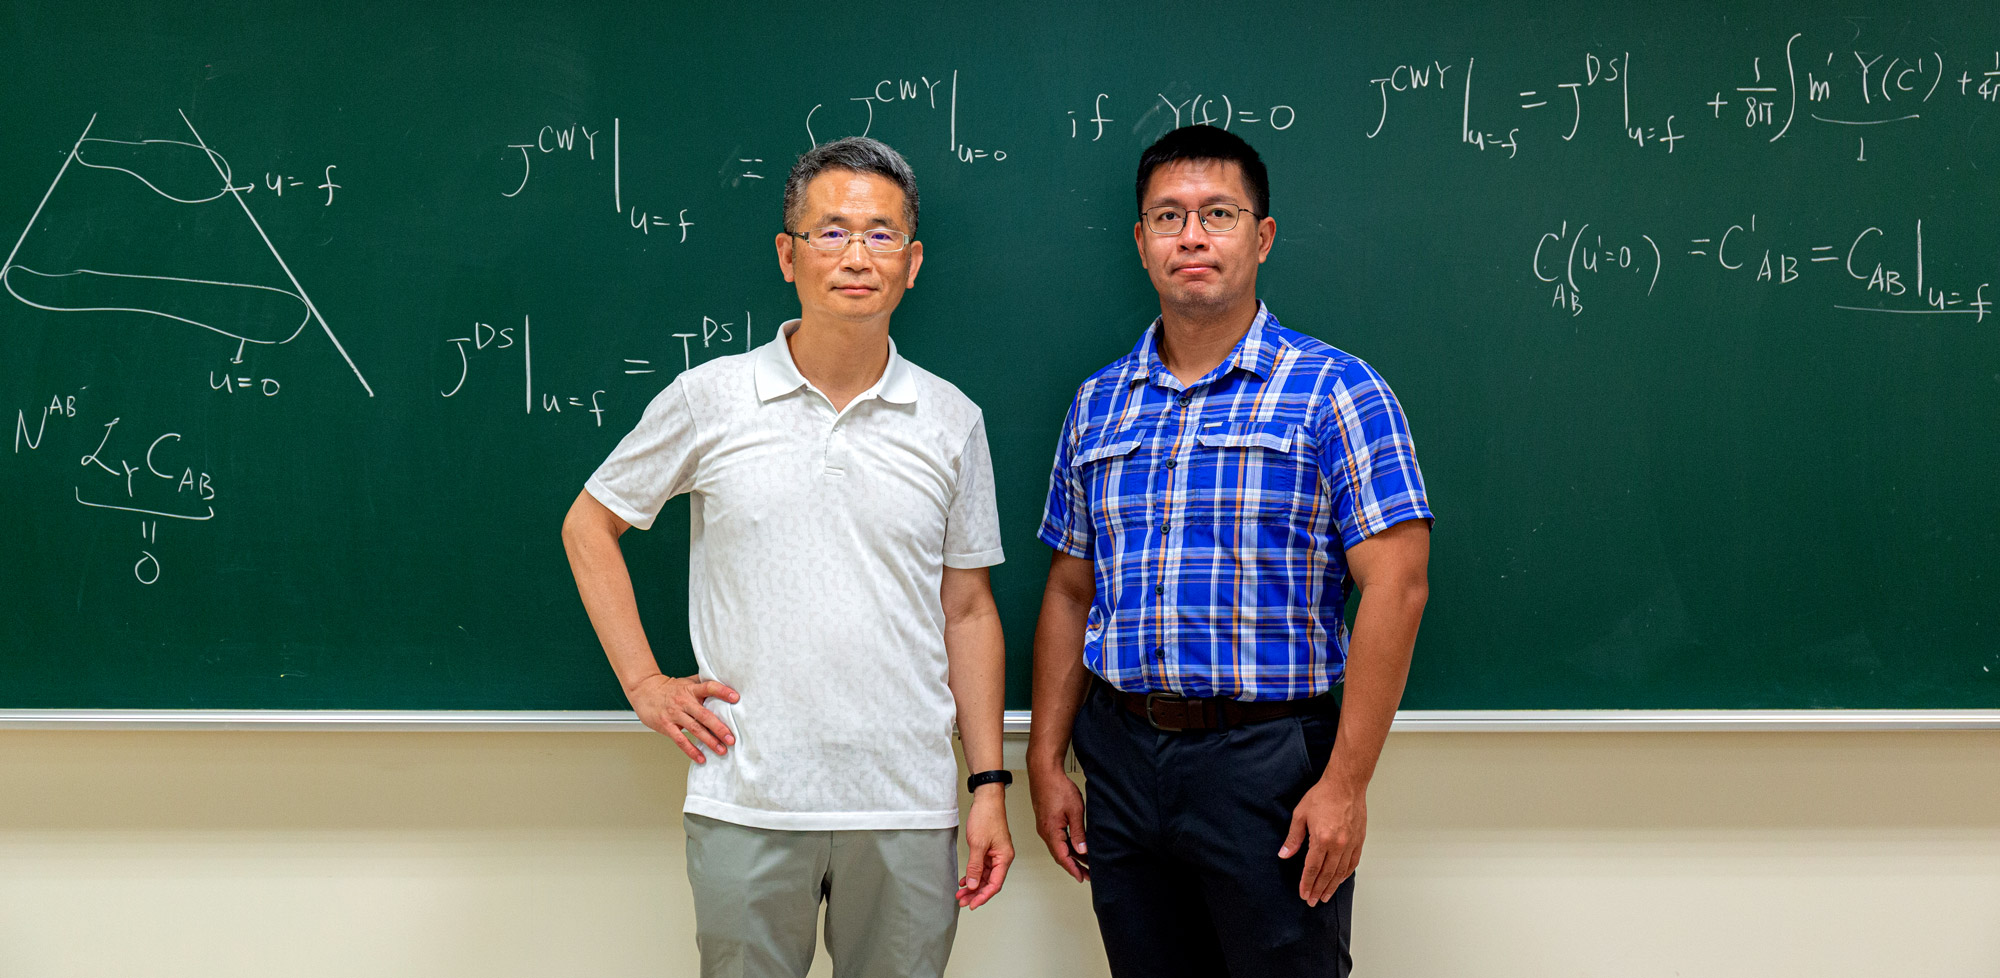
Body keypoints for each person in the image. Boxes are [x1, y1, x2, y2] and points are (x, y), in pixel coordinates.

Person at [561, 136, 1013, 978]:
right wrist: (643, 683)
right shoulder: (712, 397)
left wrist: (988, 783)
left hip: (907, 801)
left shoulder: (952, 420)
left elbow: (969, 610)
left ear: (912, 263)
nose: (855, 256)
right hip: (749, 796)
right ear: (788, 254)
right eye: (830, 232)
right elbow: (589, 527)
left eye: (880, 235)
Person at [1026, 124, 1433, 977]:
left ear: (1263, 235)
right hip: (1122, 757)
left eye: (1218, 213)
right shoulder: (1099, 403)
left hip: (1268, 765)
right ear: (1141, 243)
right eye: (1168, 217)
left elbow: (1396, 585)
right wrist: (1044, 755)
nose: (1193, 236)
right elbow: (1070, 588)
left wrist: (1347, 783)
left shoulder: (1336, 390)